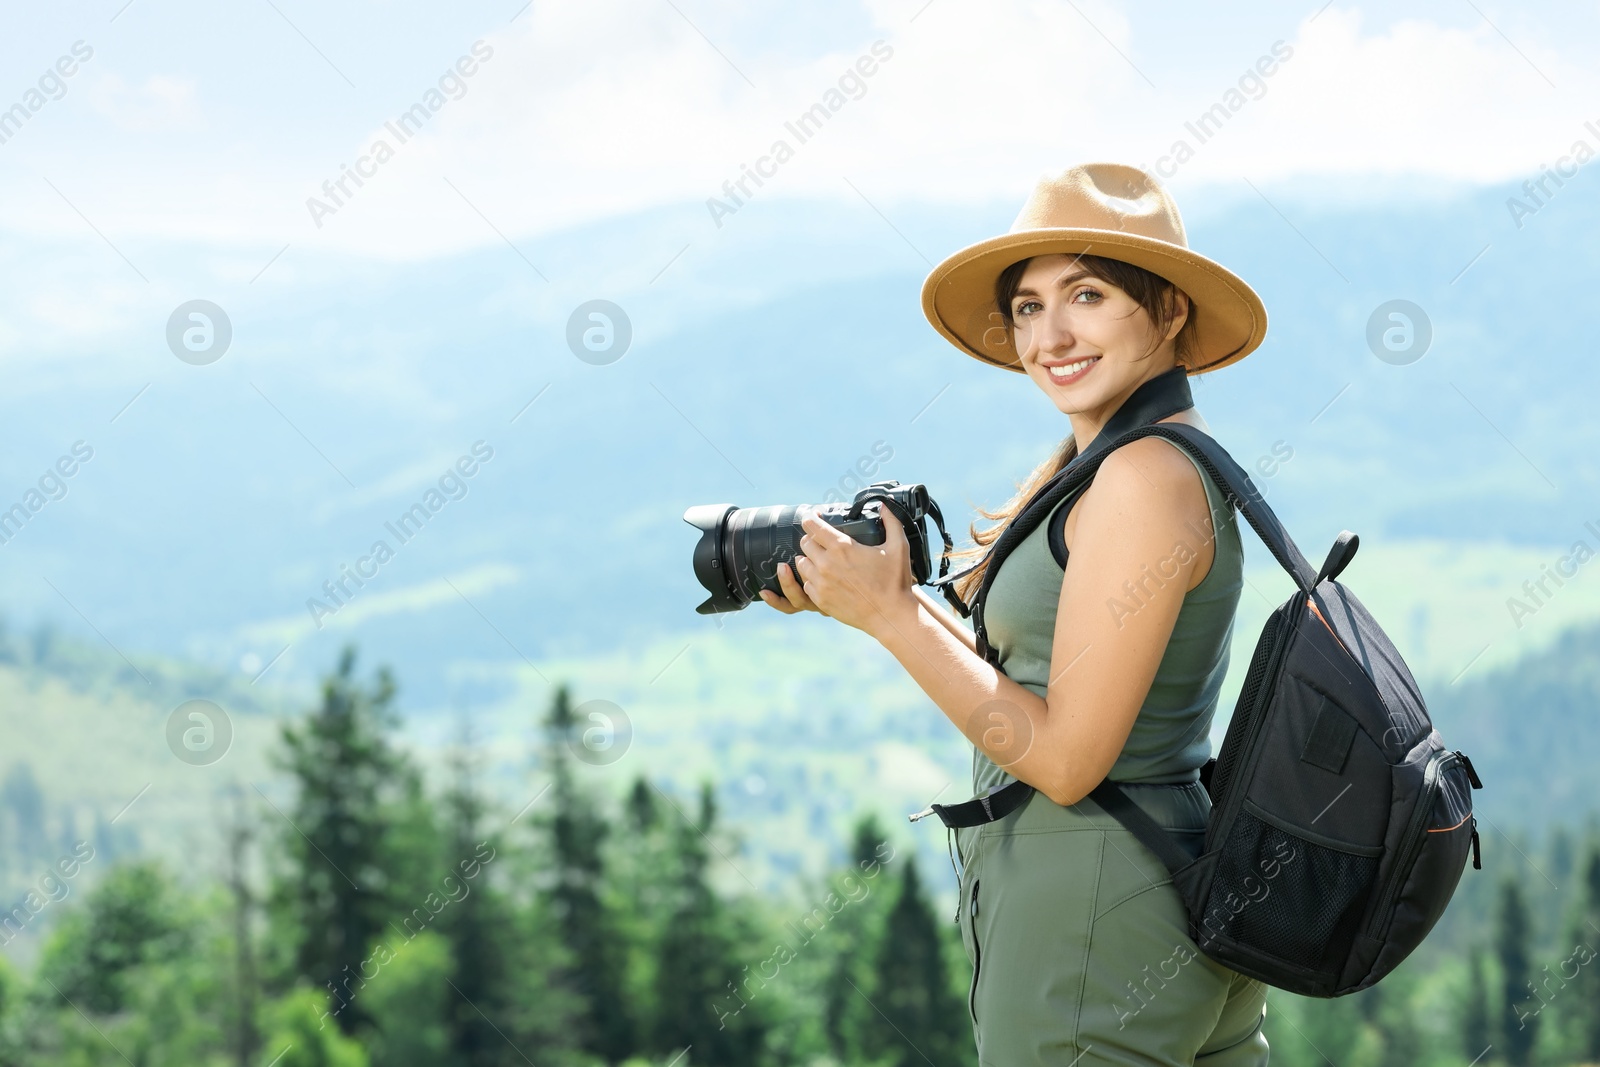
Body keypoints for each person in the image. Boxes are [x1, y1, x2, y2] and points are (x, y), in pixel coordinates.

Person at [759, 162, 1272, 1065]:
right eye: (1029, 306)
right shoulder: (1128, 459)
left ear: (1170, 310)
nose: (1051, 334)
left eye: (1087, 294)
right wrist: (880, 595)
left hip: (1092, 914)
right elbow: (1036, 677)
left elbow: (1069, 760)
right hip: (1163, 884)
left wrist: (895, 620)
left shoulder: (1143, 477)